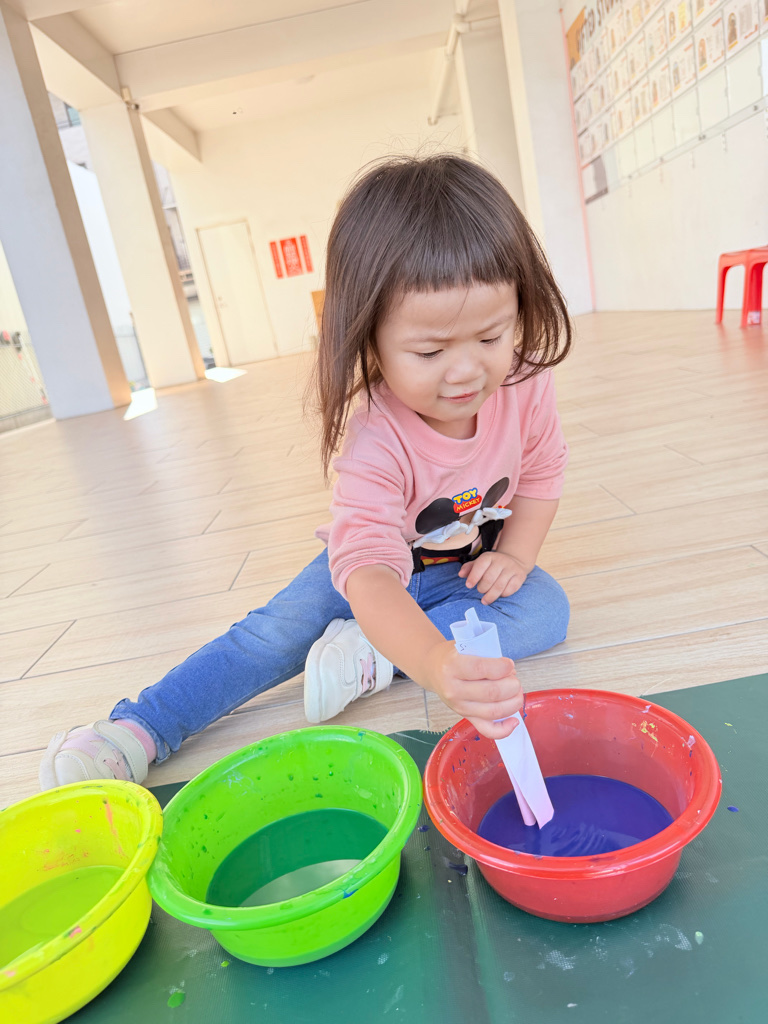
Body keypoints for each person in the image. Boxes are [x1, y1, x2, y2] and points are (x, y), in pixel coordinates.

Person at [40, 154, 572, 791]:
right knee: (275, 634)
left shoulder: (526, 385)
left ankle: (374, 654)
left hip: (462, 567)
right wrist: (434, 663)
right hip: (371, 570)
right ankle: (140, 727)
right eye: (429, 351)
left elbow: (543, 471)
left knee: (546, 609)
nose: (466, 371)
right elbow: (368, 571)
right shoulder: (378, 434)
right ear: (368, 339)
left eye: (490, 338)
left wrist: (515, 555)